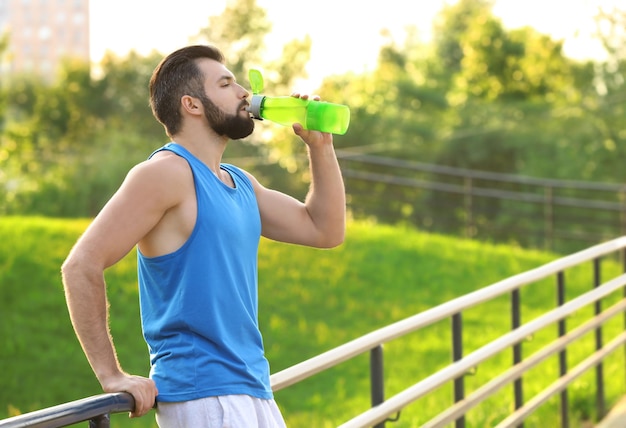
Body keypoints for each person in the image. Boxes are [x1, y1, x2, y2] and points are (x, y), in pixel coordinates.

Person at [61, 44, 346, 427]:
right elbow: (81, 265)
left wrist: (321, 147)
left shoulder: (241, 183)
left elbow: (325, 229)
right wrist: (111, 375)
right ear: (192, 105)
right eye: (227, 84)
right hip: (204, 398)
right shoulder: (165, 174)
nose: (245, 93)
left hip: (252, 388)